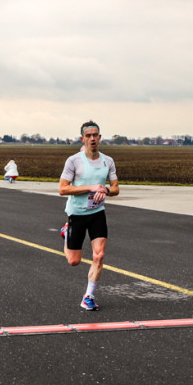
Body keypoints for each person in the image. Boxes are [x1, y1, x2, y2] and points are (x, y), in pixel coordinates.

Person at [59, 120, 119, 310]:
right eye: (88, 135)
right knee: (74, 261)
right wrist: (91, 188)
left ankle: (88, 296)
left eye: (95, 135)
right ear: (82, 139)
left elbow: (116, 188)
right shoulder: (74, 161)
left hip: (97, 213)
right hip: (76, 214)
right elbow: (62, 189)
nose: (92, 138)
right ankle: (66, 231)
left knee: (99, 255)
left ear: (100, 138)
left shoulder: (107, 161)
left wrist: (106, 191)